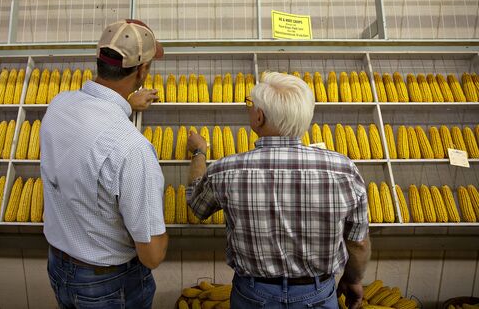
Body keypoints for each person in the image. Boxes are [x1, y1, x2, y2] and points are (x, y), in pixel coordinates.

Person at [186, 72, 371, 309]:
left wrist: (198, 153)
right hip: (317, 292)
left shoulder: (227, 169)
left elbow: (197, 206)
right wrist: (353, 279)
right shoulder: (343, 169)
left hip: (254, 293)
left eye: (250, 105)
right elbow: (359, 242)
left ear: (259, 117)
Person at [40, 19, 168, 309]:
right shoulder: (132, 148)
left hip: (60, 266)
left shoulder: (58, 106)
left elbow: (93, 123)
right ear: (143, 69)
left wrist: (127, 103)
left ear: (100, 59)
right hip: (109, 285)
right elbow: (152, 256)